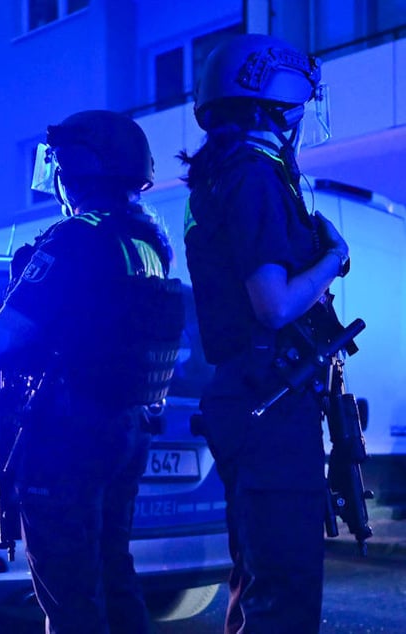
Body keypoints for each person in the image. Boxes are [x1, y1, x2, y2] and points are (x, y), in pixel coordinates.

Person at [0, 109, 184, 634]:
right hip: (126, 427)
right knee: (115, 575)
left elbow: (0, 340)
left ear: (72, 170)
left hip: (69, 434)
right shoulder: (147, 241)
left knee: (69, 597)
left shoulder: (73, 238)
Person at [180, 33, 350, 633]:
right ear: (274, 102)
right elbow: (273, 305)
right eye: (299, 104)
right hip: (268, 402)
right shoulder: (253, 177)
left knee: (260, 580)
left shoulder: (225, 174)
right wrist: (334, 258)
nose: (303, 117)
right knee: (283, 591)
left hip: (253, 396)